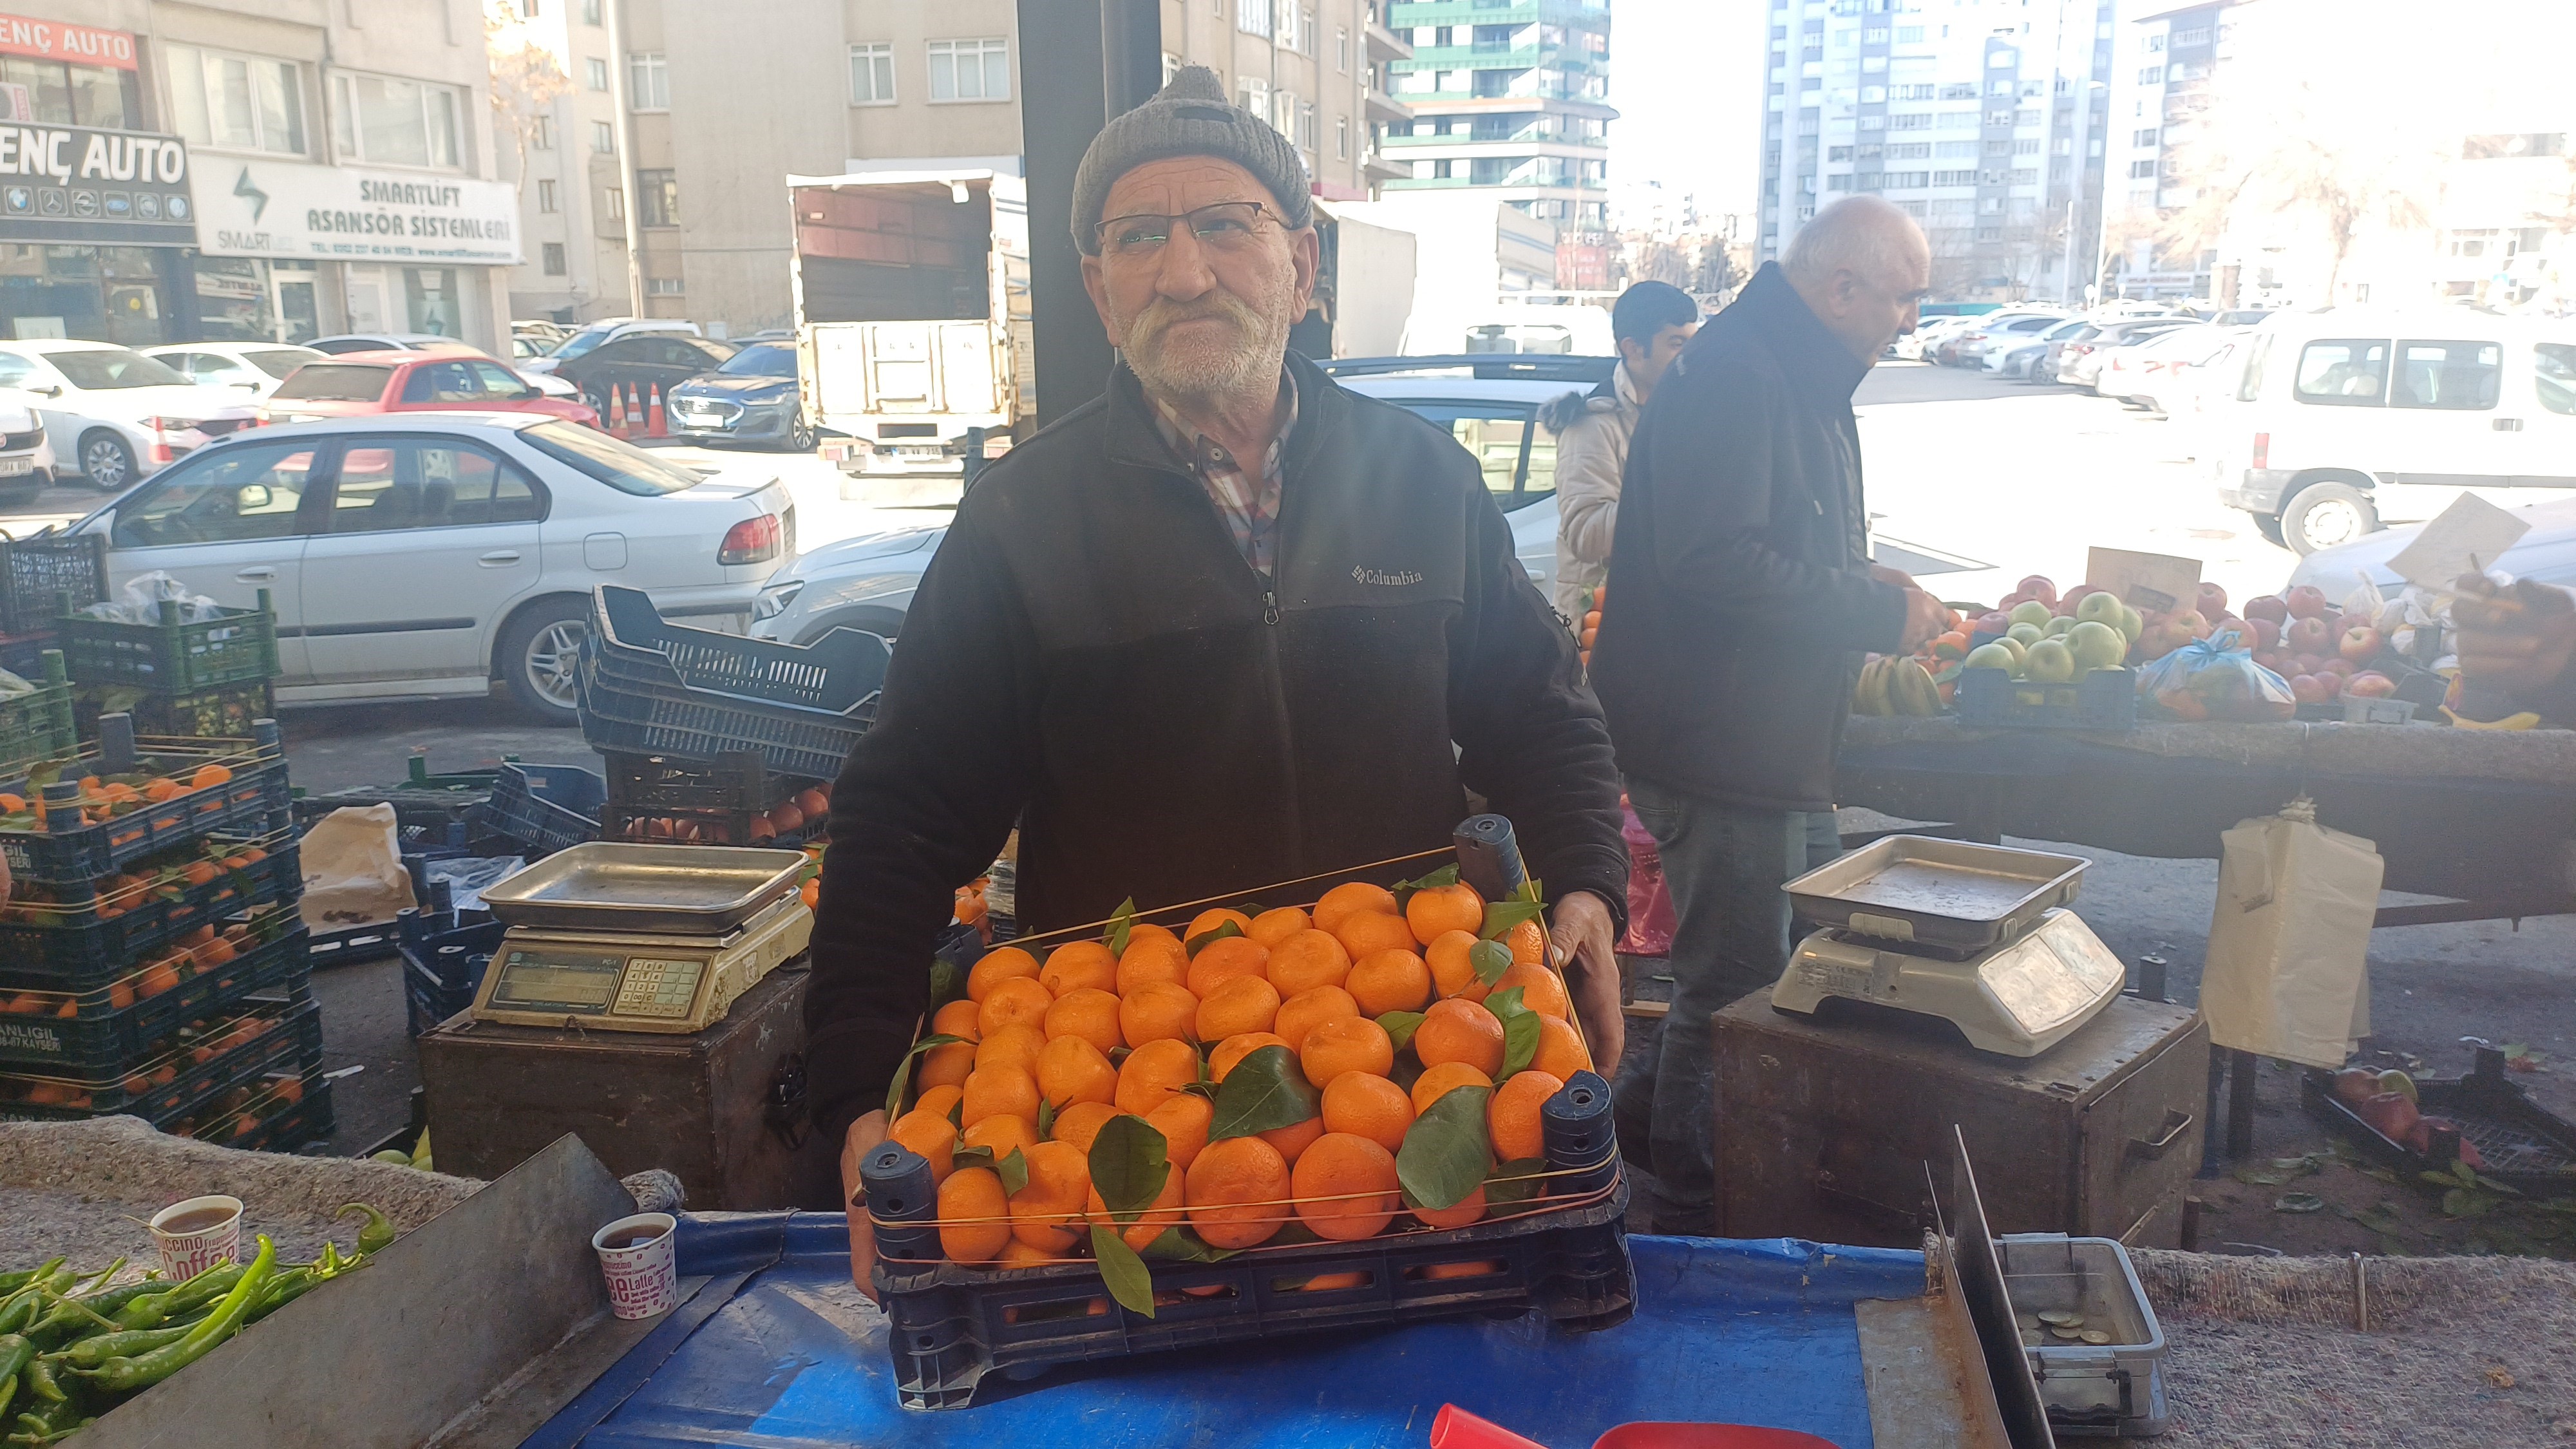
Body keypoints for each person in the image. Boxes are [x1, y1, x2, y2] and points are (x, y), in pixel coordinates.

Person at [806, 66, 1631, 1293]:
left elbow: (1540, 716)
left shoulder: (1421, 479)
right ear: (1099, 290)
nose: (1184, 272)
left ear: (1303, 265)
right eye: (1139, 237)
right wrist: (856, 1098)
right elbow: (905, 815)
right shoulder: (1023, 520)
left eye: (1225, 226)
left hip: (1411, 1082)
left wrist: (1589, 887)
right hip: (1129, 1118)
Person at [1586, 196, 1947, 1234]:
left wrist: (1859, 576)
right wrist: (1871, 609)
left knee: (1772, 959)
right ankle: (1697, 1192)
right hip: (1720, 745)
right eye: (1904, 298)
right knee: (1737, 982)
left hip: (1767, 742)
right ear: (1842, 287)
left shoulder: (1788, 366)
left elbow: (1769, 533)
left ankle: (1638, 1124)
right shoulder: (1742, 374)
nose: (1910, 321)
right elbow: (1712, 558)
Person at [1546, 281, 1701, 623]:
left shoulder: (1687, 414)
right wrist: (1682, 499)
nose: (1690, 356)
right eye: (1676, 344)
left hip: (1661, 615)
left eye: (1694, 342)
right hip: (1600, 623)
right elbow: (1585, 533)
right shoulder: (1593, 425)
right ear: (1633, 348)